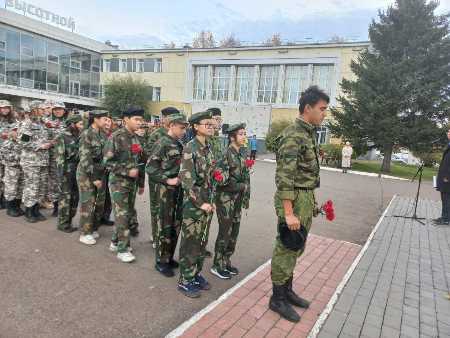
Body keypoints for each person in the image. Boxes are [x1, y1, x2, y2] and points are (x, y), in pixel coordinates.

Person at [269, 86, 329, 322]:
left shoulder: (308, 133)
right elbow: (285, 177)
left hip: (303, 197)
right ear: (308, 108)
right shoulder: (294, 135)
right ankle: (277, 299)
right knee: (286, 246)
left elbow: (305, 175)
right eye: (322, 109)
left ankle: (287, 291)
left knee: (296, 246)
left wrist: (311, 202)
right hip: (292, 199)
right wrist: (288, 212)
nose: (325, 113)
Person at [177, 110, 216, 298]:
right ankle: (185, 279)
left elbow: (210, 178)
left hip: (207, 203)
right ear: (195, 127)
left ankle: (195, 273)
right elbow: (186, 181)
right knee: (190, 242)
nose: (211, 126)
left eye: (211, 123)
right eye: (206, 123)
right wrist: (200, 204)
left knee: (202, 242)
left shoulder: (208, 147)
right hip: (194, 205)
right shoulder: (190, 148)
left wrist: (211, 201)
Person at [146, 114, 188, 277]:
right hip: (164, 192)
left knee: (175, 225)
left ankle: (169, 257)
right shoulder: (162, 143)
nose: (184, 131)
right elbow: (150, 167)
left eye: (185, 128)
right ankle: (161, 261)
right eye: (181, 127)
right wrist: (167, 180)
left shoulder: (179, 143)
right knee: (164, 225)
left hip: (177, 192)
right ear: (171, 125)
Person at [104, 106, 145, 263]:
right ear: (126, 119)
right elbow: (106, 162)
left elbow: (139, 161)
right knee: (122, 215)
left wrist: (140, 182)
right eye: (136, 119)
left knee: (125, 213)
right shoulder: (116, 136)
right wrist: (126, 171)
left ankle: (115, 241)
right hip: (118, 183)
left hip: (132, 184)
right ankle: (122, 249)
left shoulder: (135, 137)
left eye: (141, 120)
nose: (139, 122)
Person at [211, 123, 251, 280]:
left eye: (244, 133)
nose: (244, 136)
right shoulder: (225, 154)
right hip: (226, 199)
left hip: (238, 198)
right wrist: (241, 186)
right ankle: (217, 264)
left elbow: (246, 177)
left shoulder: (242, 153)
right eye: (241, 134)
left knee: (234, 231)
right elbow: (221, 180)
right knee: (225, 231)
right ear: (232, 137)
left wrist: (246, 197)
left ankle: (226, 260)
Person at [145, 107, 180, 246]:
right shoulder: (157, 134)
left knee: (167, 210)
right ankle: (156, 236)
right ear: (164, 118)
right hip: (157, 177)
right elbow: (149, 153)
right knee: (156, 207)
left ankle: (162, 237)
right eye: (171, 116)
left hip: (170, 180)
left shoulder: (177, 135)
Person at [77, 110, 109, 245]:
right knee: (88, 203)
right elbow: (85, 159)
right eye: (104, 119)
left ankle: (94, 227)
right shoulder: (86, 134)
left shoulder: (103, 134)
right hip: (87, 173)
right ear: (95, 119)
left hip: (100, 172)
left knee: (100, 203)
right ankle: (85, 232)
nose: (106, 122)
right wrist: (94, 177)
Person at [18, 101, 52, 223]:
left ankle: (36, 210)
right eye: (41, 109)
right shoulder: (28, 124)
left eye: (44, 109)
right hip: (31, 161)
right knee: (32, 186)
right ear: (34, 110)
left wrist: (49, 143)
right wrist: (41, 146)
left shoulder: (42, 123)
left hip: (43, 161)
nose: (44, 110)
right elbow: (23, 141)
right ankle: (29, 211)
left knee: (41, 187)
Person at [55, 114, 84, 233]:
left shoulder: (79, 135)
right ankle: (62, 224)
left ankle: (69, 221)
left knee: (75, 197)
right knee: (65, 197)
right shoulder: (62, 136)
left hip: (77, 169)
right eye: (80, 124)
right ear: (73, 124)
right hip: (67, 171)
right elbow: (60, 156)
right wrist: (61, 174)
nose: (82, 126)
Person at [0, 100, 24, 217]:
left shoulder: (15, 121)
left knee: (12, 180)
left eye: (7, 108)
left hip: (12, 154)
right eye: (2, 108)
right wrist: (7, 134)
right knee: (4, 179)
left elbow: (20, 134)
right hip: (4, 153)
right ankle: (6, 203)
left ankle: (10, 203)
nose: (4, 110)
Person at [47, 101, 69, 217]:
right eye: (55, 109)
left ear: (64, 110)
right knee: (54, 183)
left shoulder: (69, 123)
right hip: (53, 158)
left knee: (65, 183)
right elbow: (43, 138)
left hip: (67, 158)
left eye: (60, 109)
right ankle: (56, 207)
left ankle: (64, 207)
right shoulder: (48, 123)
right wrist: (51, 142)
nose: (57, 111)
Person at [434, 129, 450, 226]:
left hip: (447, 178)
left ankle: (446, 219)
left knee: (447, 199)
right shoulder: (449, 145)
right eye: (448, 132)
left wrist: (447, 176)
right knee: (445, 198)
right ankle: (444, 216)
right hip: (444, 176)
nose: (448, 133)